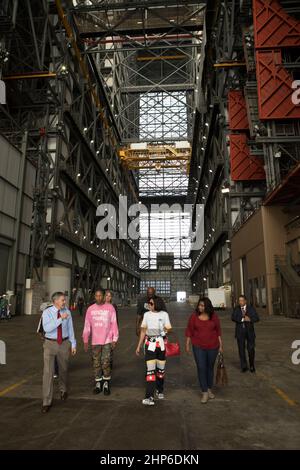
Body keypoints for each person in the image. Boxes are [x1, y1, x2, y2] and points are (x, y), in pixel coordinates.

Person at [41, 292, 76, 413]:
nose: (64, 302)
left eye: (64, 300)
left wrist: (73, 343)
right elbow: (47, 328)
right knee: (48, 373)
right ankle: (46, 401)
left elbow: (70, 328)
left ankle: (63, 390)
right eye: (62, 300)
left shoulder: (68, 312)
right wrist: (60, 318)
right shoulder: (47, 312)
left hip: (64, 344)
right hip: (50, 344)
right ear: (55, 301)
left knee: (63, 369)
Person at [185, 297, 223, 404]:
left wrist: (221, 345)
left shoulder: (214, 317)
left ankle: (209, 388)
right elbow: (189, 330)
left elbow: (218, 331)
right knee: (201, 368)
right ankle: (204, 391)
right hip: (198, 346)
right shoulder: (194, 317)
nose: (200, 307)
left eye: (202, 305)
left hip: (213, 346)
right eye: (199, 305)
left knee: (210, 368)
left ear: (207, 306)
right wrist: (187, 344)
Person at [136, 296, 172, 406]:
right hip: (149, 345)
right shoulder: (146, 315)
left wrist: (162, 332)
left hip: (161, 345)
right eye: (148, 304)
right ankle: (149, 396)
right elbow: (143, 331)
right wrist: (139, 345)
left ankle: (160, 389)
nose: (149, 305)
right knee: (150, 371)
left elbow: (168, 328)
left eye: (151, 304)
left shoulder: (164, 314)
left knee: (160, 371)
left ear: (157, 304)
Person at [83, 289, 119, 396]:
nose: (98, 298)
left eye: (100, 296)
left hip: (107, 340)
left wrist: (114, 339)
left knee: (106, 362)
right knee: (96, 363)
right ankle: (98, 383)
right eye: (96, 296)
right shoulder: (90, 309)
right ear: (94, 296)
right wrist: (85, 340)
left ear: (103, 296)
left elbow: (114, 324)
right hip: (95, 341)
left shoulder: (110, 308)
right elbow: (87, 325)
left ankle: (106, 383)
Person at [232, 294, 259, 373]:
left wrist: (250, 319)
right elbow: (233, 317)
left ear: (245, 301)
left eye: (242, 300)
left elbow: (257, 318)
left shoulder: (251, 309)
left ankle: (251, 365)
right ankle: (243, 366)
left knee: (251, 349)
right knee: (241, 350)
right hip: (240, 332)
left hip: (250, 332)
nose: (240, 302)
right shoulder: (236, 309)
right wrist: (242, 319)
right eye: (239, 300)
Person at [104, 289, 119, 370]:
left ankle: (109, 365)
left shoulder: (113, 306)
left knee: (109, 351)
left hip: (110, 333)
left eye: (110, 296)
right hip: (100, 334)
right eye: (106, 295)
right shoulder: (99, 306)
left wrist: (115, 336)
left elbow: (116, 321)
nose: (108, 297)